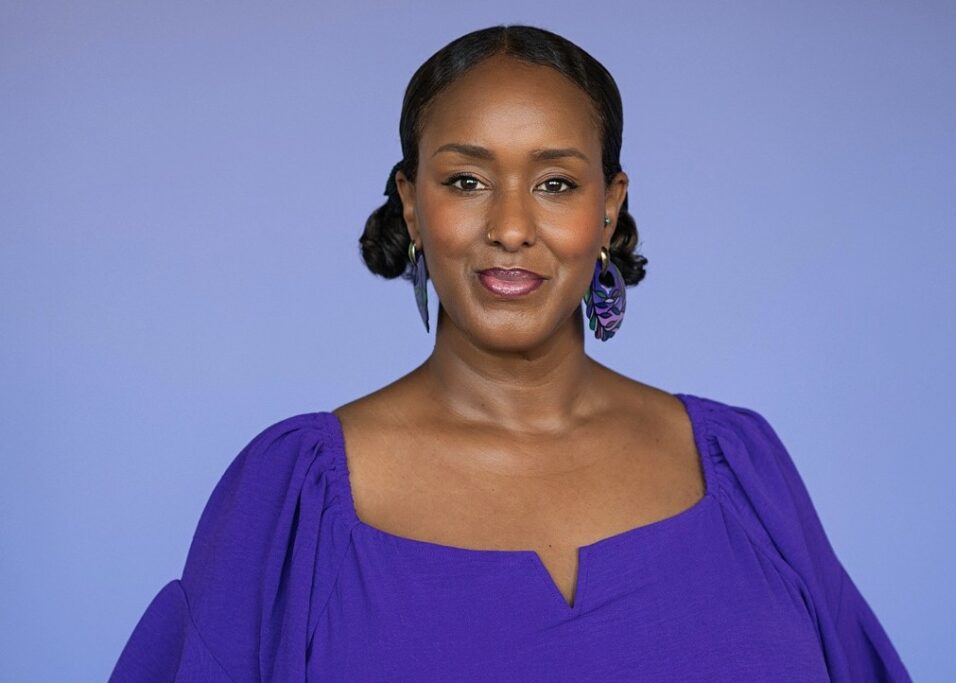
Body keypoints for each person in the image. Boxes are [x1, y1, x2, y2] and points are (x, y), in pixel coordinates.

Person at [110, 24, 912, 682]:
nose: (511, 226)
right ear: (412, 205)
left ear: (609, 207)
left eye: (556, 183)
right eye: (465, 181)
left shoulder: (742, 469)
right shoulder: (293, 500)